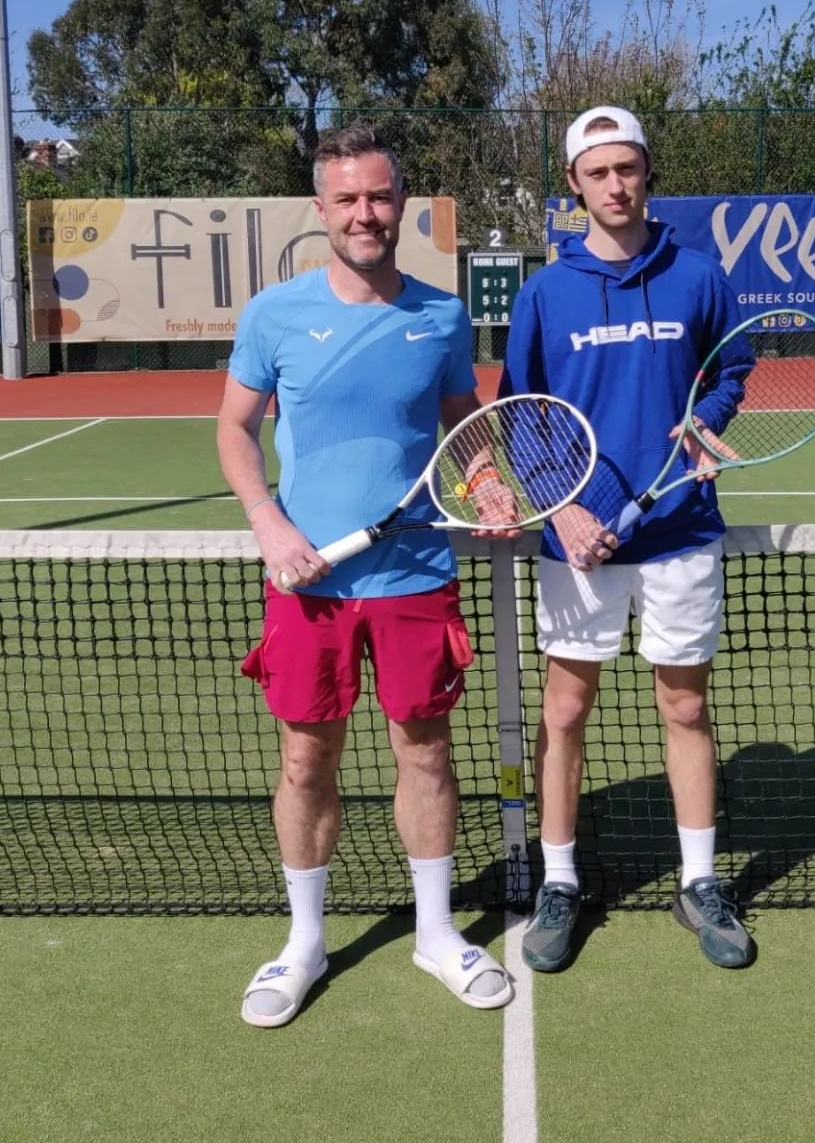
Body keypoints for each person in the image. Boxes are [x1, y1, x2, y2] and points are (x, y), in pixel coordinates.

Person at [217, 123, 517, 1028]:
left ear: (401, 203)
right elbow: (234, 431)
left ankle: (434, 932)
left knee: (425, 751)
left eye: (379, 196)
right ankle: (304, 942)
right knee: (307, 756)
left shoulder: (441, 315)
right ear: (321, 208)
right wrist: (268, 522)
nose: (365, 213)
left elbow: (466, 427)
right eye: (347, 198)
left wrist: (491, 483)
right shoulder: (275, 314)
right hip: (308, 582)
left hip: (415, 572)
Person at [500, 105, 756, 973]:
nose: (616, 184)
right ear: (574, 184)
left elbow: (731, 370)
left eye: (628, 167)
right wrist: (556, 503)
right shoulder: (545, 292)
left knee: (684, 706)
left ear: (648, 173)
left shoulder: (699, 277)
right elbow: (521, 412)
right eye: (598, 171)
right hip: (578, 542)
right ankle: (561, 880)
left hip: (681, 530)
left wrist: (706, 423)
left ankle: (698, 880)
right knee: (565, 711)